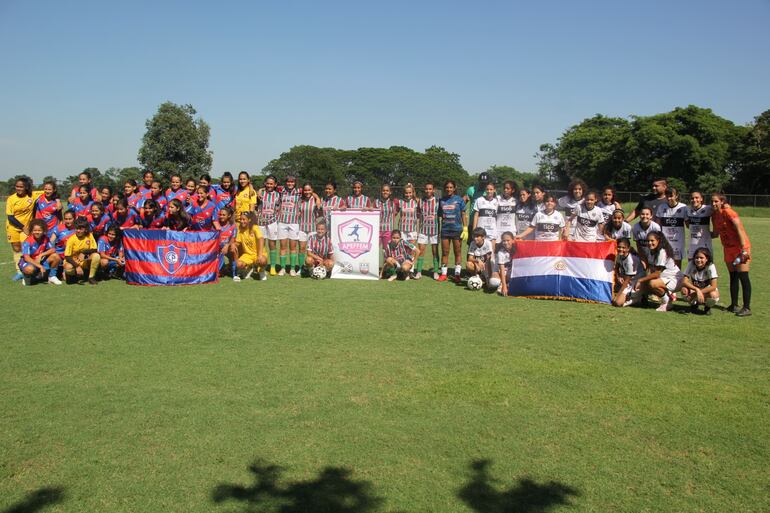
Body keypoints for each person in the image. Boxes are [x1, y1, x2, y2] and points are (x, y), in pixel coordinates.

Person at [712, 193, 752, 317]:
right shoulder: (714, 216)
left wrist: (744, 249)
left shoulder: (729, 212)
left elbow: (739, 229)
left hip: (740, 248)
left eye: (716, 201)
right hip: (728, 248)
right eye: (712, 202)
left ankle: (746, 307)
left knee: (743, 277)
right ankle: (734, 305)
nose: (714, 204)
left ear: (722, 202)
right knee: (733, 276)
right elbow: (715, 234)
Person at [634, 231, 683, 312]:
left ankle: (667, 302)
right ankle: (643, 299)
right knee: (646, 284)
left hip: (675, 279)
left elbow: (657, 274)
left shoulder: (662, 252)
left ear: (658, 241)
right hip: (665, 278)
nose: (650, 243)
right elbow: (651, 269)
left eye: (652, 241)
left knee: (652, 283)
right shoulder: (651, 251)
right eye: (648, 241)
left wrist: (640, 280)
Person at [6, 176, 36, 280]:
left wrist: (58, 200)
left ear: (26, 187)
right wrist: (23, 227)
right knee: (16, 248)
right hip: (13, 227)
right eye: (17, 186)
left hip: (26, 229)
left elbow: (49, 191)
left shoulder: (33, 195)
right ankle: (19, 272)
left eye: (21, 187)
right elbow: (10, 217)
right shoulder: (11, 199)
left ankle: (29, 269)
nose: (18, 188)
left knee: (26, 248)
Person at [438, 180, 467, 283]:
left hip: (457, 230)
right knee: (445, 252)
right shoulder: (441, 200)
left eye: (451, 187)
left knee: (457, 252)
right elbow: (440, 216)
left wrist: (465, 228)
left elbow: (463, 214)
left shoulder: (459, 200)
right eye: (447, 187)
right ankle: (444, 274)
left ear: (454, 188)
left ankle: (457, 274)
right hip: (445, 230)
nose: (449, 189)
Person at [19, 219, 62, 286]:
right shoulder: (27, 241)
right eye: (35, 230)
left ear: (43, 231)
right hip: (28, 262)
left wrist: (41, 255)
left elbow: (53, 249)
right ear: (32, 231)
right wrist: (40, 266)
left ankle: (52, 276)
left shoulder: (45, 238)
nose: (37, 232)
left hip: (40, 260)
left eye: (39, 230)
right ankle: (26, 277)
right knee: (29, 269)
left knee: (56, 256)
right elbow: (26, 257)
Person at [655, 187, 687, 267]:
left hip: (678, 242)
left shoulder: (683, 207)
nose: (669, 198)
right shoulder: (662, 207)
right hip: (665, 241)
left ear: (676, 196)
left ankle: (677, 279)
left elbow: (689, 225)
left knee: (677, 265)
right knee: (663, 264)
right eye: (667, 196)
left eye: (671, 196)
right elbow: (657, 225)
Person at [681, 247, 719, 315]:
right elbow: (684, 281)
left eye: (701, 258)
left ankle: (707, 307)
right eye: (696, 257)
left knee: (714, 295)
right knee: (684, 290)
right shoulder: (691, 264)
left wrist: (698, 292)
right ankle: (694, 305)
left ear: (707, 259)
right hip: (695, 289)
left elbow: (713, 286)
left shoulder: (710, 266)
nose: (698, 260)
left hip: (707, 291)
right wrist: (697, 290)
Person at [276, 175, 302, 276]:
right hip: (282, 222)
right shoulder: (281, 190)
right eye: (288, 182)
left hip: (294, 222)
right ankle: (282, 268)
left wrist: (317, 198)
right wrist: (260, 191)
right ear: (286, 182)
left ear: (295, 183)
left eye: (292, 182)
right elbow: (268, 187)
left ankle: (292, 269)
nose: (290, 184)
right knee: (283, 247)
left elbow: (310, 191)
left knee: (293, 247)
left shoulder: (299, 191)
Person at [63, 217, 101, 285]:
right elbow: (67, 256)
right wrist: (77, 266)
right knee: (68, 268)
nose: (78, 231)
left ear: (85, 229)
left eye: (81, 229)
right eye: (77, 229)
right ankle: (74, 276)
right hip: (73, 262)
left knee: (96, 256)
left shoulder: (89, 235)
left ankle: (91, 277)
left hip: (84, 261)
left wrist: (84, 252)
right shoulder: (71, 239)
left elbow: (95, 249)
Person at [256, 175, 281, 275]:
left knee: (272, 244)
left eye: (272, 184)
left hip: (272, 221)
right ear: (265, 184)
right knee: (261, 244)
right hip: (261, 221)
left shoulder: (278, 194)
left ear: (275, 185)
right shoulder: (260, 193)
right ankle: (261, 265)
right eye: (268, 183)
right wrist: (259, 190)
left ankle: (273, 266)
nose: (269, 185)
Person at [415, 182, 440, 279]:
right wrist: (417, 230)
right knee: (421, 251)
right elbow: (418, 216)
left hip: (434, 230)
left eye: (430, 189)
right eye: (427, 189)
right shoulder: (420, 201)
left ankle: (436, 272)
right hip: (423, 230)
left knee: (435, 251)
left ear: (433, 190)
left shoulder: (437, 200)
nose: (428, 191)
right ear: (424, 190)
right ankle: (419, 272)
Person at [235, 211, 268, 281]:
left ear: (249, 220)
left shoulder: (254, 227)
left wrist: (259, 255)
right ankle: (248, 268)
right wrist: (230, 245)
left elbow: (261, 239)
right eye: (240, 219)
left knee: (262, 260)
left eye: (244, 219)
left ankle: (261, 271)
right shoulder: (240, 229)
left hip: (258, 253)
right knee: (238, 264)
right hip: (248, 254)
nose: (241, 221)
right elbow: (237, 243)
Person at [297, 183, 321, 275]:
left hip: (313, 228)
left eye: (309, 190)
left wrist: (318, 198)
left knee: (313, 250)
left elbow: (320, 212)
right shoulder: (300, 200)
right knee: (302, 249)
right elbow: (298, 212)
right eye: (305, 190)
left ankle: (314, 268)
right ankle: (301, 268)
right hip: (302, 228)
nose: (307, 192)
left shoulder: (315, 199)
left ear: (312, 190)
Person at [612, 238, 642, 307]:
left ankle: (636, 298)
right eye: (619, 247)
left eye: (623, 248)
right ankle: (629, 296)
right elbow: (616, 267)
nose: (621, 249)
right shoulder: (619, 255)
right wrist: (618, 276)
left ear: (628, 249)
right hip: (627, 280)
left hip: (636, 282)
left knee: (617, 303)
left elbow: (627, 281)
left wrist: (617, 296)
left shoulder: (630, 261)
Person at [685, 191, 713, 260]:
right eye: (692, 198)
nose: (694, 200)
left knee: (707, 266)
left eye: (697, 198)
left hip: (705, 243)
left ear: (701, 199)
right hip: (692, 243)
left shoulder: (708, 208)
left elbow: (719, 211)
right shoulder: (687, 210)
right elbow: (688, 225)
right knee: (691, 265)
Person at [472, 182, 499, 247]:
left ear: (494, 190)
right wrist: (474, 230)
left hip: (492, 231)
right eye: (487, 189)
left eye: (491, 189)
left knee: (491, 253)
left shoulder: (497, 201)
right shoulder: (479, 200)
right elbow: (476, 216)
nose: (489, 191)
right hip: (481, 231)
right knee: (479, 253)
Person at [216, 207, 238, 279]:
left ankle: (235, 272)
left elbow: (233, 239)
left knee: (233, 247)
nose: (221, 216)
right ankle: (222, 269)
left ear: (228, 216)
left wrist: (227, 245)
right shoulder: (216, 225)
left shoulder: (233, 226)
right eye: (220, 214)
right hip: (218, 250)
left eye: (223, 215)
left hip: (228, 248)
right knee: (219, 273)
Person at [492, 231, 515, 295]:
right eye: (504, 241)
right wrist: (504, 287)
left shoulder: (517, 248)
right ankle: (502, 285)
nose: (506, 242)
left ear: (513, 240)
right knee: (493, 282)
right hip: (502, 272)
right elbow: (502, 270)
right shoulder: (501, 253)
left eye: (508, 240)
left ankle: (508, 283)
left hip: (511, 271)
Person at [375, 184, 398, 250]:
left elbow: (394, 216)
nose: (385, 192)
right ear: (381, 191)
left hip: (388, 230)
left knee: (387, 251)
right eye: (384, 190)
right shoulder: (376, 202)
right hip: (377, 230)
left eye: (387, 190)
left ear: (390, 192)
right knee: (374, 250)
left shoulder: (393, 203)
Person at [397, 184, 419, 248]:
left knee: (411, 250)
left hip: (412, 230)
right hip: (402, 230)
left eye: (410, 193)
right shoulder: (400, 202)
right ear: (404, 193)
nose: (408, 194)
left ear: (412, 193)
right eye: (406, 193)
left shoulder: (416, 202)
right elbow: (395, 213)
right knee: (403, 249)